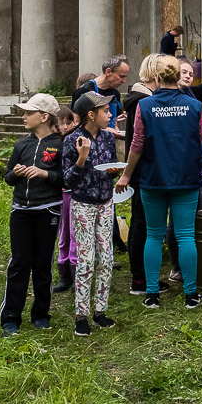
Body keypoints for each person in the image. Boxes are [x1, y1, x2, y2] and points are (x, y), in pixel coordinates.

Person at [120, 54, 202, 310]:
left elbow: (137, 144)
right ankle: (191, 294)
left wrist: (127, 174)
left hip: (152, 178)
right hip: (186, 178)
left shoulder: (145, 107)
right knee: (185, 236)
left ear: (157, 77)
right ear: (175, 76)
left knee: (153, 235)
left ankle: (151, 294)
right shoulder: (193, 107)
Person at [0, 92, 65, 336]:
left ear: (44, 116)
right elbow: (7, 178)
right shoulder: (22, 145)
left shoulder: (60, 144)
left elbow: (66, 179)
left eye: (29, 113)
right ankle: (10, 319)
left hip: (47, 210)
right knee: (18, 263)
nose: (24, 116)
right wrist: (16, 173)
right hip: (21, 212)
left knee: (42, 264)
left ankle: (40, 314)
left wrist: (45, 174)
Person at [63, 90, 119, 336]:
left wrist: (115, 172)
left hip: (106, 202)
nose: (109, 114)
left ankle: (101, 311)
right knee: (86, 260)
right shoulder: (72, 140)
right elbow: (67, 180)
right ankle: (81, 315)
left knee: (105, 258)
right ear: (91, 115)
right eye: (105, 111)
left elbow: (112, 164)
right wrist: (81, 159)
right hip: (83, 204)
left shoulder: (108, 138)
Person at [74, 56, 130, 253]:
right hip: (88, 149)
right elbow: (76, 125)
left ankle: (110, 241)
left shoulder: (114, 93)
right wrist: (108, 131)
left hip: (109, 146)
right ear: (108, 72)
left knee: (108, 192)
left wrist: (117, 125)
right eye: (121, 76)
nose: (124, 80)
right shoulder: (84, 91)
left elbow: (113, 119)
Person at [52, 104, 78, 293]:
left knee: (74, 234)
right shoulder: (52, 144)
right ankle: (63, 274)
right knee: (63, 235)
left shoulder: (73, 141)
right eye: (60, 124)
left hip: (74, 193)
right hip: (59, 193)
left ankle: (76, 273)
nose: (63, 128)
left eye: (67, 123)